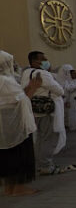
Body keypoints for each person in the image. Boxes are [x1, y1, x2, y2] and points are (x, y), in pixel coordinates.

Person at [0, 51, 40, 195]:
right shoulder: (6, 81)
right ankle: (18, 187)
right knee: (19, 154)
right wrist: (33, 88)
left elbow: (17, 97)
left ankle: (9, 187)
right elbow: (23, 101)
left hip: (4, 125)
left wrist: (28, 88)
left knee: (7, 155)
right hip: (16, 125)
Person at [21, 51, 66, 175]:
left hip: (33, 109)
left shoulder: (26, 73)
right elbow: (60, 91)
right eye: (44, 59)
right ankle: (46, 165)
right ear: (35, 61)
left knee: (39, 138)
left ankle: (40, 164)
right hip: (45, 110)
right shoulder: (43, 73)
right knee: (48, 138)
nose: (47, 61)